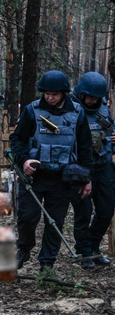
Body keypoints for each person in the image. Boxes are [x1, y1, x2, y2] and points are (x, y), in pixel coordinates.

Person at [9, 70, 93, 276]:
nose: (50, 97)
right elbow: (17, 140)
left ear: (63, 93)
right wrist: (25, 159)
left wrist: (86, 178)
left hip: (62, 178)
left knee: (55, 222)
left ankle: (47, 264)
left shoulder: (77, 114)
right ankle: (24, 248)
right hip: (33, 175)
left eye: (54, 94)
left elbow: (84, 147)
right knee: (27, 217)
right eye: (46, 93)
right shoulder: (32, 111)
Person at [70, 72, 114, 269]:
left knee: (106, 210)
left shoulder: (104, 108)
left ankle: (94, 247)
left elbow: (111, 130)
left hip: (103, 164)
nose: (94, 100)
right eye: (90, 97)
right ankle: (84, 252)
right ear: (81, 93)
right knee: (83, 212)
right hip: (80, 168)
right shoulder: (70, 108)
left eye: (97, 97)